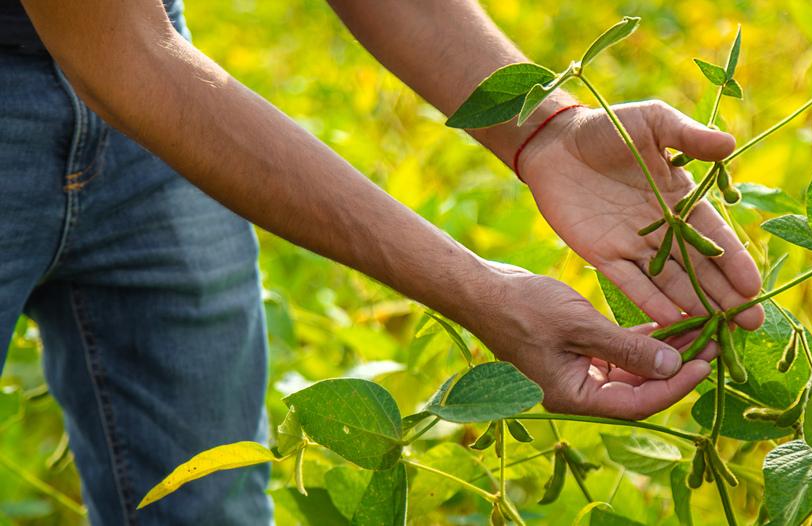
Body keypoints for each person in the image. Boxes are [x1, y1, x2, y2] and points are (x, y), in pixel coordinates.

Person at [2, 0, 764, 523]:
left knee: (213, 503)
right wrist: (476, 289)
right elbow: (124, 57)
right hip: (132, 59)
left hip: (147, 43)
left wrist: (546, 131)